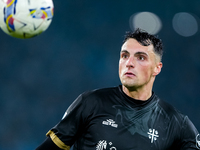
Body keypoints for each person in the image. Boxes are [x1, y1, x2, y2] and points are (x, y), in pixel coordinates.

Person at [36, 28, 200, 150]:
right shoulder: (90, 103)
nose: (129, 62)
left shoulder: (177, 124)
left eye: (140, 57)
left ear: (157, 68)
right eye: (124, 55)